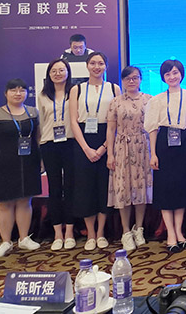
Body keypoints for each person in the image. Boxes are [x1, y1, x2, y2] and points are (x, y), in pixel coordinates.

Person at [145, 59, 186, 253]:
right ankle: (170, 233)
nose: (172, 77)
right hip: (164, 144)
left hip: (184, 142)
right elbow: (152, 129)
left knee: (181, 189)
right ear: (163, 77)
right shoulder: (156, 100)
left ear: (181, 74)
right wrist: (153, 153)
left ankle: (179, 232)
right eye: (168, 74)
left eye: (175, 72)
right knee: (166, 189)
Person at [0, 79, 42, 258]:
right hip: (3, 163)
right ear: (6, 93)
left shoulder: (33, 112)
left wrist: (41, 160)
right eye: (14, 90)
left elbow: (38, 138)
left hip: (28, 162)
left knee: (25, 200)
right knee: (5, 203)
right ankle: (6, 242)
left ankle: (24, 238)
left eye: (22, 90)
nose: (18, 94)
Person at [69, 51, 121, 251]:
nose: (96, 67)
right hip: (83, 141)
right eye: (93, 63)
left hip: (107, 138)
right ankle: (90, 233)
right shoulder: (77, 89)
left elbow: (116, 121)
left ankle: (101, 233)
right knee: (85, 187)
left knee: (104, 187)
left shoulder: (114, 88)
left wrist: (104, 147)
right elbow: (73, 121)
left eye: (100, 63)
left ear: (106, 66)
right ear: (87, 66)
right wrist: (86, 148)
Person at [106, 65, 153, 253]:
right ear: (123, 81)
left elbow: (154, 128)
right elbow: (111, 129)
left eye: (135, 77)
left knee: (141, 188)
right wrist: (110, 154)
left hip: (143, 147)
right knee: (123, 189)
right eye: (127, 78)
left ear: (140, 79)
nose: (131, 81)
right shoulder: (115, 102)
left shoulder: (149, 100)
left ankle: (138, 229)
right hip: (122, 148)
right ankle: (126, 231)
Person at [37, 59, 76, 251]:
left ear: (68, 72)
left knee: (70, 187)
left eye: (62, 70)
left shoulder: (74, 92)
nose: (58, 73)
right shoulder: (43, 95)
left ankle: (69, 232)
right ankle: (57, 233)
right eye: (54, 71)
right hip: (49, 144)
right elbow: (42, 123)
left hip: (70, 143)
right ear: (49, 74)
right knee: (54, 188)